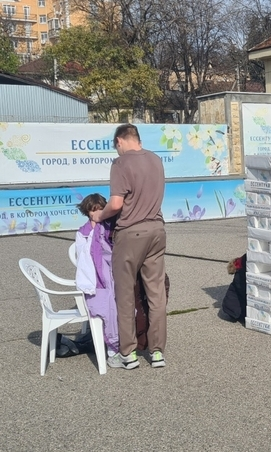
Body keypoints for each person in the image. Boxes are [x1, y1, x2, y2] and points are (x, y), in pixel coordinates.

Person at [91, 123, 167, 370]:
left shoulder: (120, 163)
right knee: (156, 293)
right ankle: (157, 353)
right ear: (138, 140)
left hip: (130, 233)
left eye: (117, 147)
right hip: (157, 230)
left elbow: (115, 204)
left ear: (120, 141)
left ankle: (128, 354)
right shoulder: (156, 160)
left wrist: (99, 216)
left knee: (124, 295)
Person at [74, 193, 119, 357]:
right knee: (103, 307)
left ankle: (123, 342)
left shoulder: (110, 227)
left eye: (101, 209)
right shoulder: (83, 233)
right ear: (87, 212)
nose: (97, 213)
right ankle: (112, 346)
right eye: (93, 210)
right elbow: (84, 258)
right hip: (95, 281)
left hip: (113, 275)